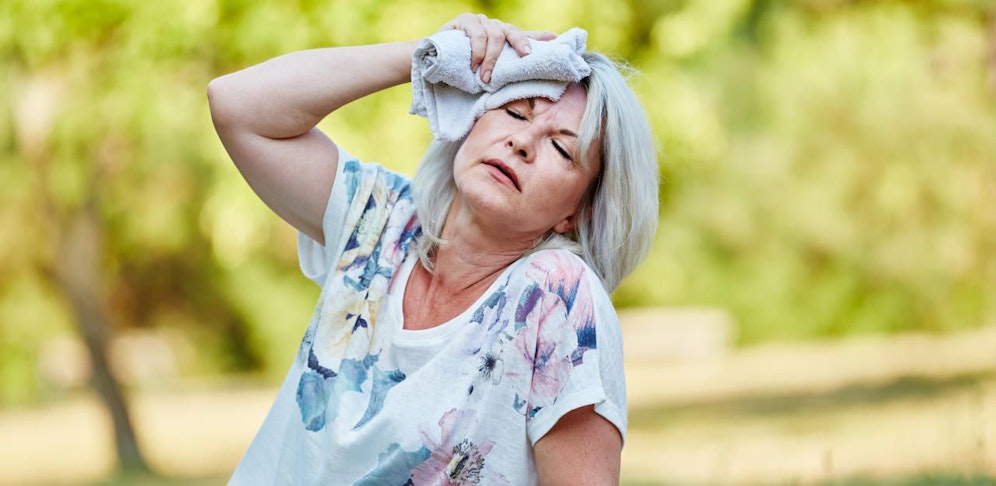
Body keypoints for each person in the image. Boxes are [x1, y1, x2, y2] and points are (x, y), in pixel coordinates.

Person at [208, 12, 658, 485]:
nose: (522, 142)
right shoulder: (380, 219)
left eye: (562, 150)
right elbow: (236, 105)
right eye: (514, 110)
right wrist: (429, 55)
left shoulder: (555, 295)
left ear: (577, 212)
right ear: (473, 116)